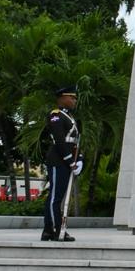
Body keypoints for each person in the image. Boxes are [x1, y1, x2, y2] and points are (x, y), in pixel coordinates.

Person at [42, 85, 82, 242]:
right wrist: (69, 160)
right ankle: (57, 229)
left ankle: (47, 230)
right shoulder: (56, 115)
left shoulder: (70, 117)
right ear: (62, 98)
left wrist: (79, 160)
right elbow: (59, 141)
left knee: (55, 196)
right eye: (71, 97)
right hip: (58, 160)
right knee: (55, 197)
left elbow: (75, 142)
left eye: (75, 98)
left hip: (66, 162)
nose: (74, 100)